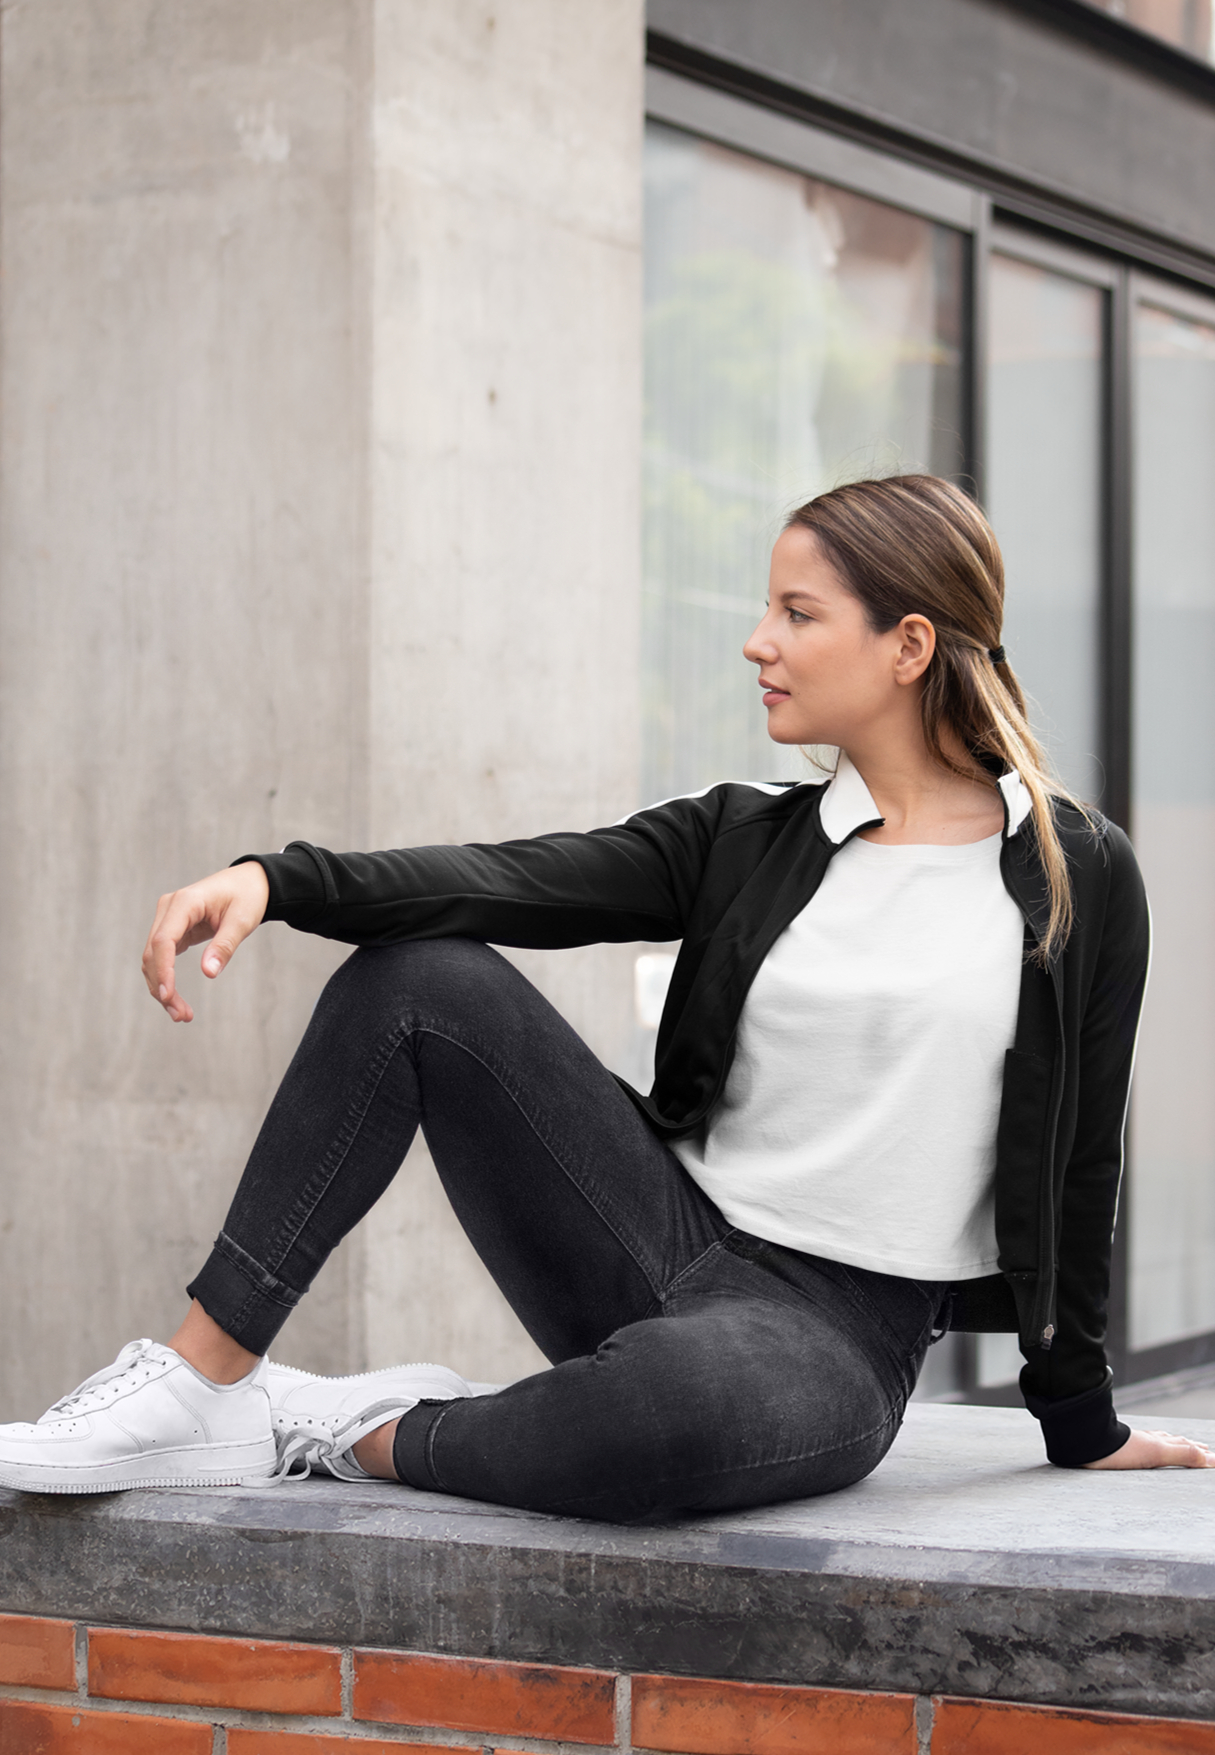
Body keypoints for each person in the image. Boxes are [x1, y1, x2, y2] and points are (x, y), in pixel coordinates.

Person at [1, 474, 1208, 1518]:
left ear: (907, 645)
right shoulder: (747, 838)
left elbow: (1080, 1164)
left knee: (661, 1423)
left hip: (836, 1339)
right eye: (766, 610)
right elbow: (501, 882)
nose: (757, 642)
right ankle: (203, 1381)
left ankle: (336, 1432)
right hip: (657, 1232)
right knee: (425, 980)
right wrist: (279, 879)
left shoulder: (1073, 873)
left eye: (797, 614)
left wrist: (1081, 1421)